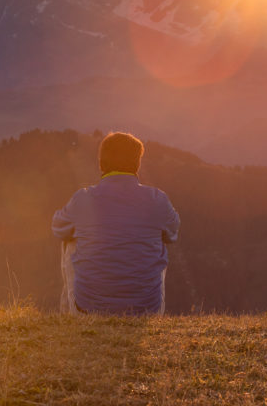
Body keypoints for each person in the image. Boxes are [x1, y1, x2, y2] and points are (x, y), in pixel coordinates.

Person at [52, 132, 180, 315]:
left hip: (89, 310)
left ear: (101, 163)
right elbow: (173, 232)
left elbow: (57, 228)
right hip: (147, 311)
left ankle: (69, 317)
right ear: (137, 164)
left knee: (70, 236)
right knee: (160, 236)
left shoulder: (83, 199)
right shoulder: (158, 200)